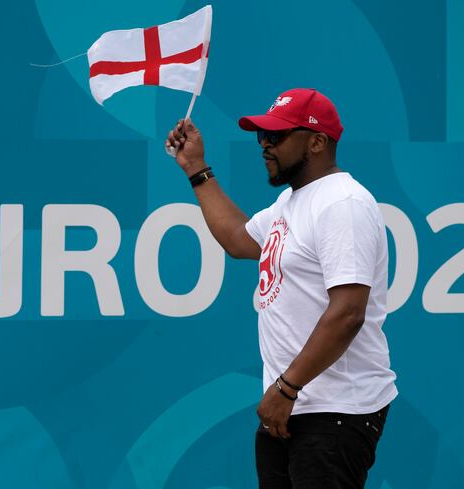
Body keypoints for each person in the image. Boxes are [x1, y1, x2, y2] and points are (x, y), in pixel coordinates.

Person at [166, 88, 397, 488]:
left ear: (318, 142)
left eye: (276, 136)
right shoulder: (292, 203)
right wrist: (196, 168)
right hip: (293, 408)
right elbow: (240, 239)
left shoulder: (343, 202)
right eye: (261, 136)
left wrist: (287, 387)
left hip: (333, 409)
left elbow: (348, 313)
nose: (264, 145)